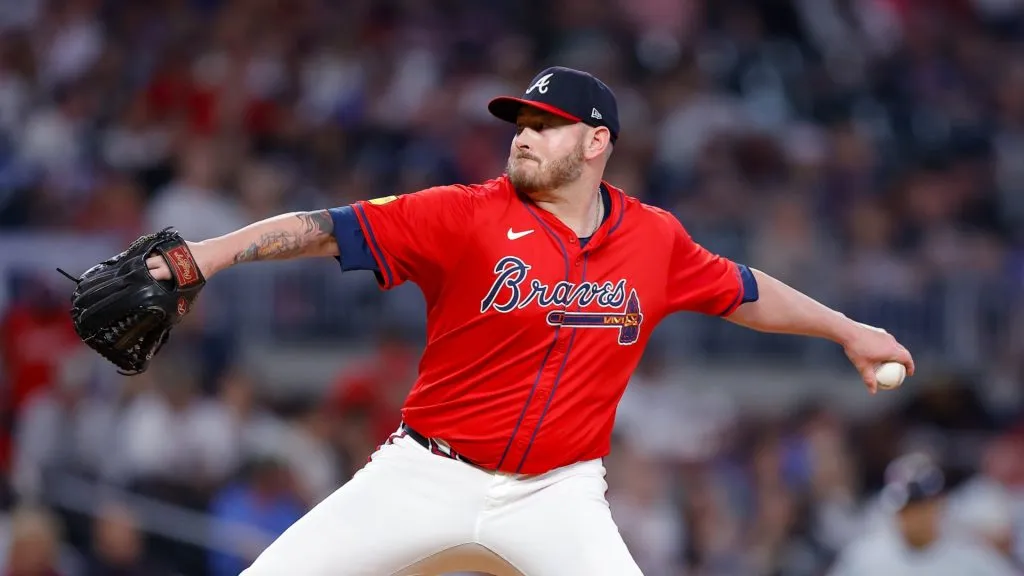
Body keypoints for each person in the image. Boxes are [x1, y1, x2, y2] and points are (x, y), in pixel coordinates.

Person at [147, 66, 914, 575]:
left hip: (558, 494)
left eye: (545, 124)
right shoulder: (463, 214)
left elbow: (746, 291)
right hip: (427, 471)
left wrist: (847, 329)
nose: (522, 133)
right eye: (520, 121)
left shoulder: (654, 238)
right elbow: (324, 226)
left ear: (596, 142)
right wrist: (203, 258)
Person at [828, 453, 1020, 576]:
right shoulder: (866, 556)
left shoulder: (970, 554)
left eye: (920, 508)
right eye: (906, 510)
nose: (912, 518)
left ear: (938, 506)